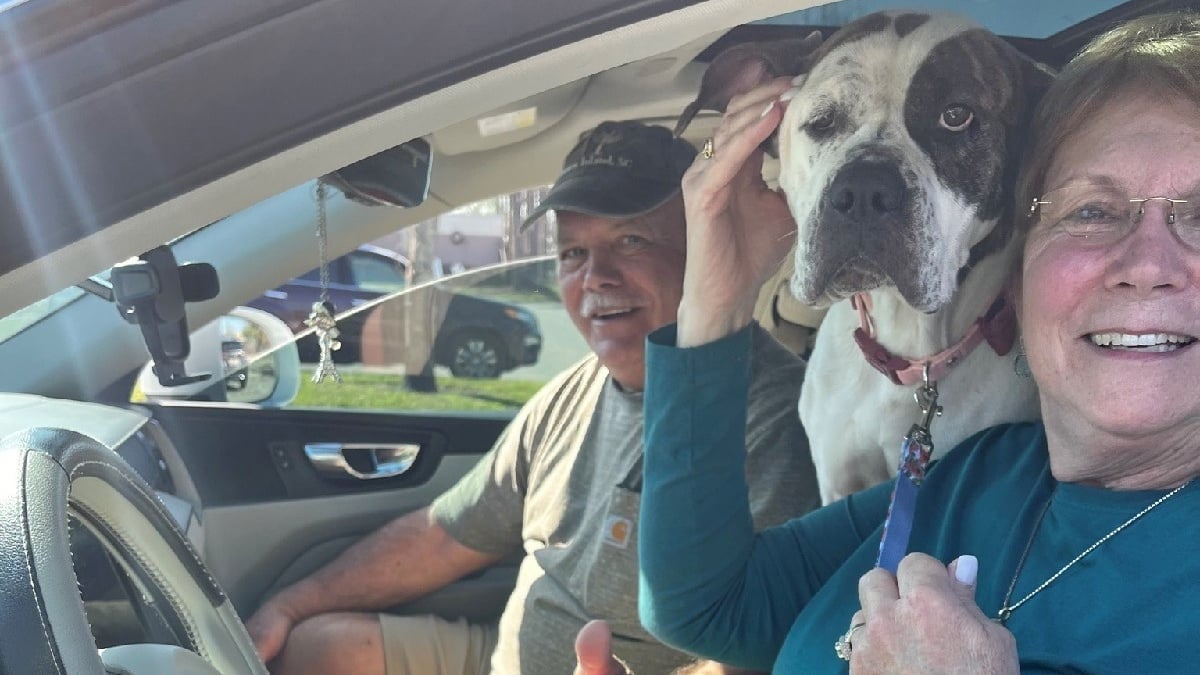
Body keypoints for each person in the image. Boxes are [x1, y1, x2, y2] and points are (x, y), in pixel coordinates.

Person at [629, 11, 1200, 673]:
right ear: (1026, 248)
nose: (1147, 262)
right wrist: (716, 300)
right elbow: (706, 606)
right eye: (1090, 211)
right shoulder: (982, 471)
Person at [245, 120, 821, 675]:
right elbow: (447, 534)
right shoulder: (572, 392)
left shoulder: (773, 416)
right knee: (318, 650)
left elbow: (760, 648)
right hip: (503, 657)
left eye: (631, 240)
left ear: (703, 248)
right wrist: (290, 605)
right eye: (573, 252)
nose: (596, 276)